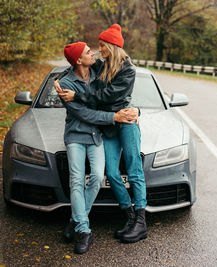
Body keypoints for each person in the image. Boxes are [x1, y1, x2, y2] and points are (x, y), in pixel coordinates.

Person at [56, 24, 147, 243]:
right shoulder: (101, 65)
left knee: (134, 170)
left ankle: (141, 222)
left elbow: (106, 96)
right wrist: (58, 80)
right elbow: (75, 65)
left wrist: (77, 96)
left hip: (125, 121)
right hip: (107, 126)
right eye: (96, 47)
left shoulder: (128, 71)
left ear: (112, 46)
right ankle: (128, 214)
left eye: (102, 46)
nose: (98, 50)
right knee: (112, 173)